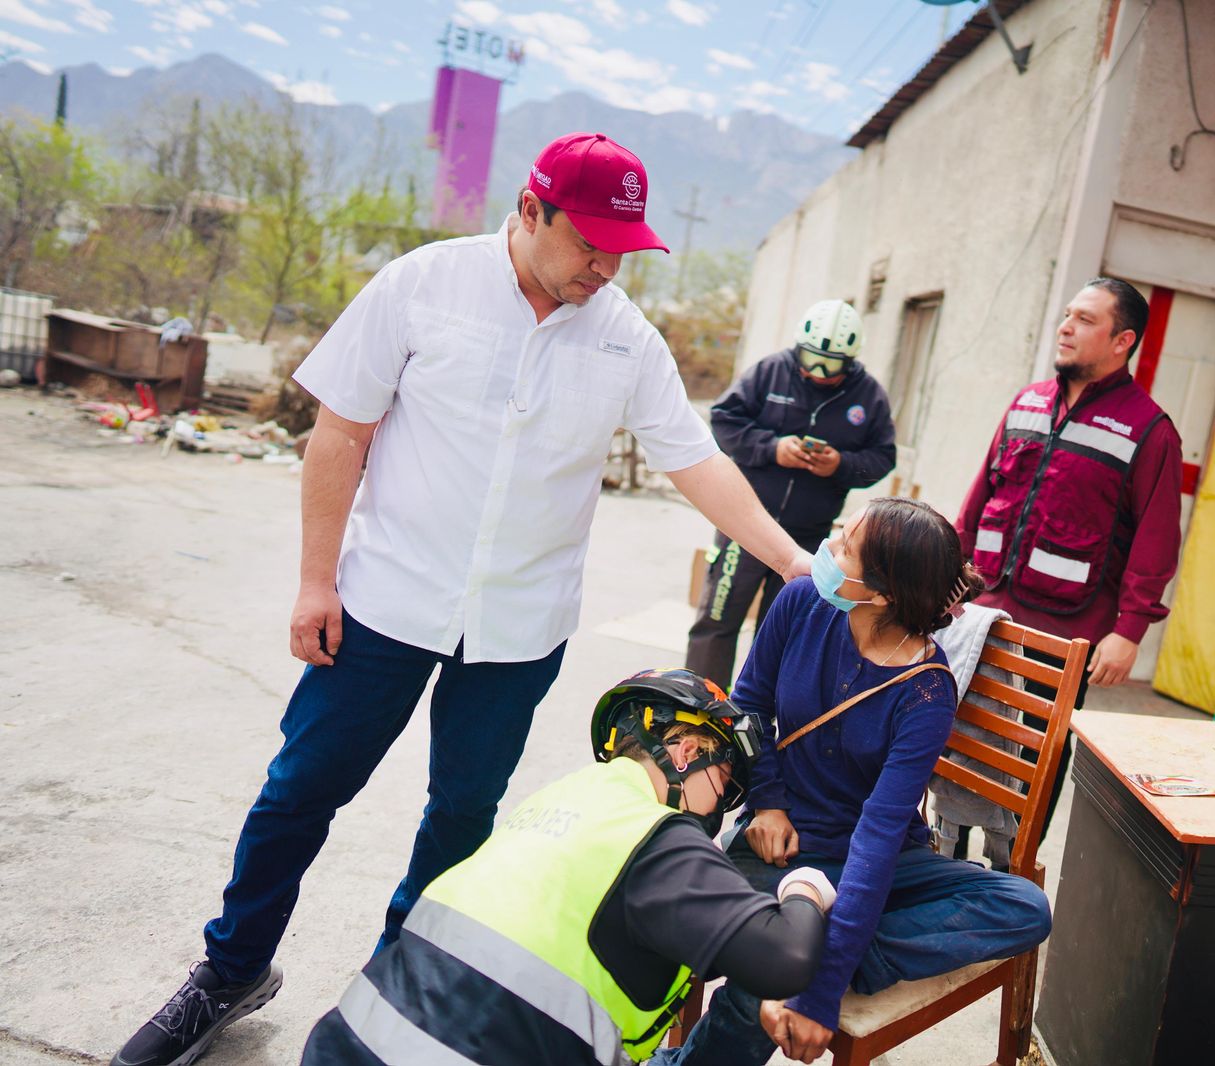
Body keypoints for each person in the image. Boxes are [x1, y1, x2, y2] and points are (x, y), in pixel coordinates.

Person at [112, 132, 811, 1066]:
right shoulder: (422, 285)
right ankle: (231, 968)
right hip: (383, 606)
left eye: (623, 249)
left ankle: (402, 980)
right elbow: (339, 436)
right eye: (590, 242)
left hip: (519, 632)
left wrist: (793, 562)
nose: (606, 266)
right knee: (299, 793)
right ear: (531, 210)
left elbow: (695, 460)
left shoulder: (624, 339)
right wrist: (316, 580)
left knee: (461, 820)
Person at [657, 499, 1054, 1066]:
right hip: (784, 846)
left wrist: (818, 985)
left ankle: (812, 950)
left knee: (1024, 906)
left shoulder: (925, 691)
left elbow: (879, 834)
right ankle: (800, 947)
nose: (828, 550)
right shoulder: (800, 603)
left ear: (884, 593)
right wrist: (767, 803)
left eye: (845, 548)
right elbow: (745, 709)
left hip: (876, 856)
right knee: (764, 966)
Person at [301, 669, 836, 1065]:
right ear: (686, 751)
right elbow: (785, 958)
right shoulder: (652, 833)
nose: (719, 812)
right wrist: (805, 886)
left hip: (346, 1043)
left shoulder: (556, 802)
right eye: (724, 784)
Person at [954, 276, 1182, 834]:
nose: (1065, 326)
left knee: (1036, 756)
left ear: (1122, 340)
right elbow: (979, 499)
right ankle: (945, 854)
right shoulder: (1025, 403)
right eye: (1067, 315)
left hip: (1066, 632)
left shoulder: (1148, 430)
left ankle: (1011, 867)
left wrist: (1129, 630)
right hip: (982, 614)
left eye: (1084, 319)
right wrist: (946, 581)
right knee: (960, 738)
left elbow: (1157, 538)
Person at [685, 299, 896, 690]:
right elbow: (725, 420)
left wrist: (842, 465)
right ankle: (700, 709)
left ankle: (755, 717)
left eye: (830, 365)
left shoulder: (869, 397)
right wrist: (772, 448)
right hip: (745, 526)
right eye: (811, 359)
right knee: (716, 620)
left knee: (782, 631)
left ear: (849, 362)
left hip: (809, 536)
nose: (817, 372)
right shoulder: (770, 372)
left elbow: (883, 457)